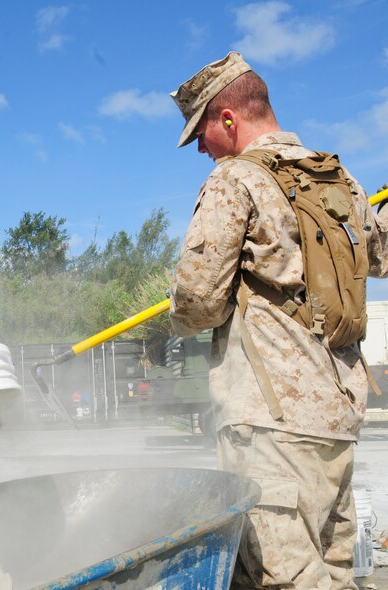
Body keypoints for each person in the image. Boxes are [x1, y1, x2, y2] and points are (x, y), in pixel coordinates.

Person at [169, 51, 388, 589]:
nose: (199, 146)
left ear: (228, 120)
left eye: (200, 131)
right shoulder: (338, 179)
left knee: (278, 579)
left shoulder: (235, 179)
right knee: (335, 573)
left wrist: (184, 317)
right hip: (337, 421)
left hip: (270, 425)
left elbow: (196, 300)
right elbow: (380, 256)